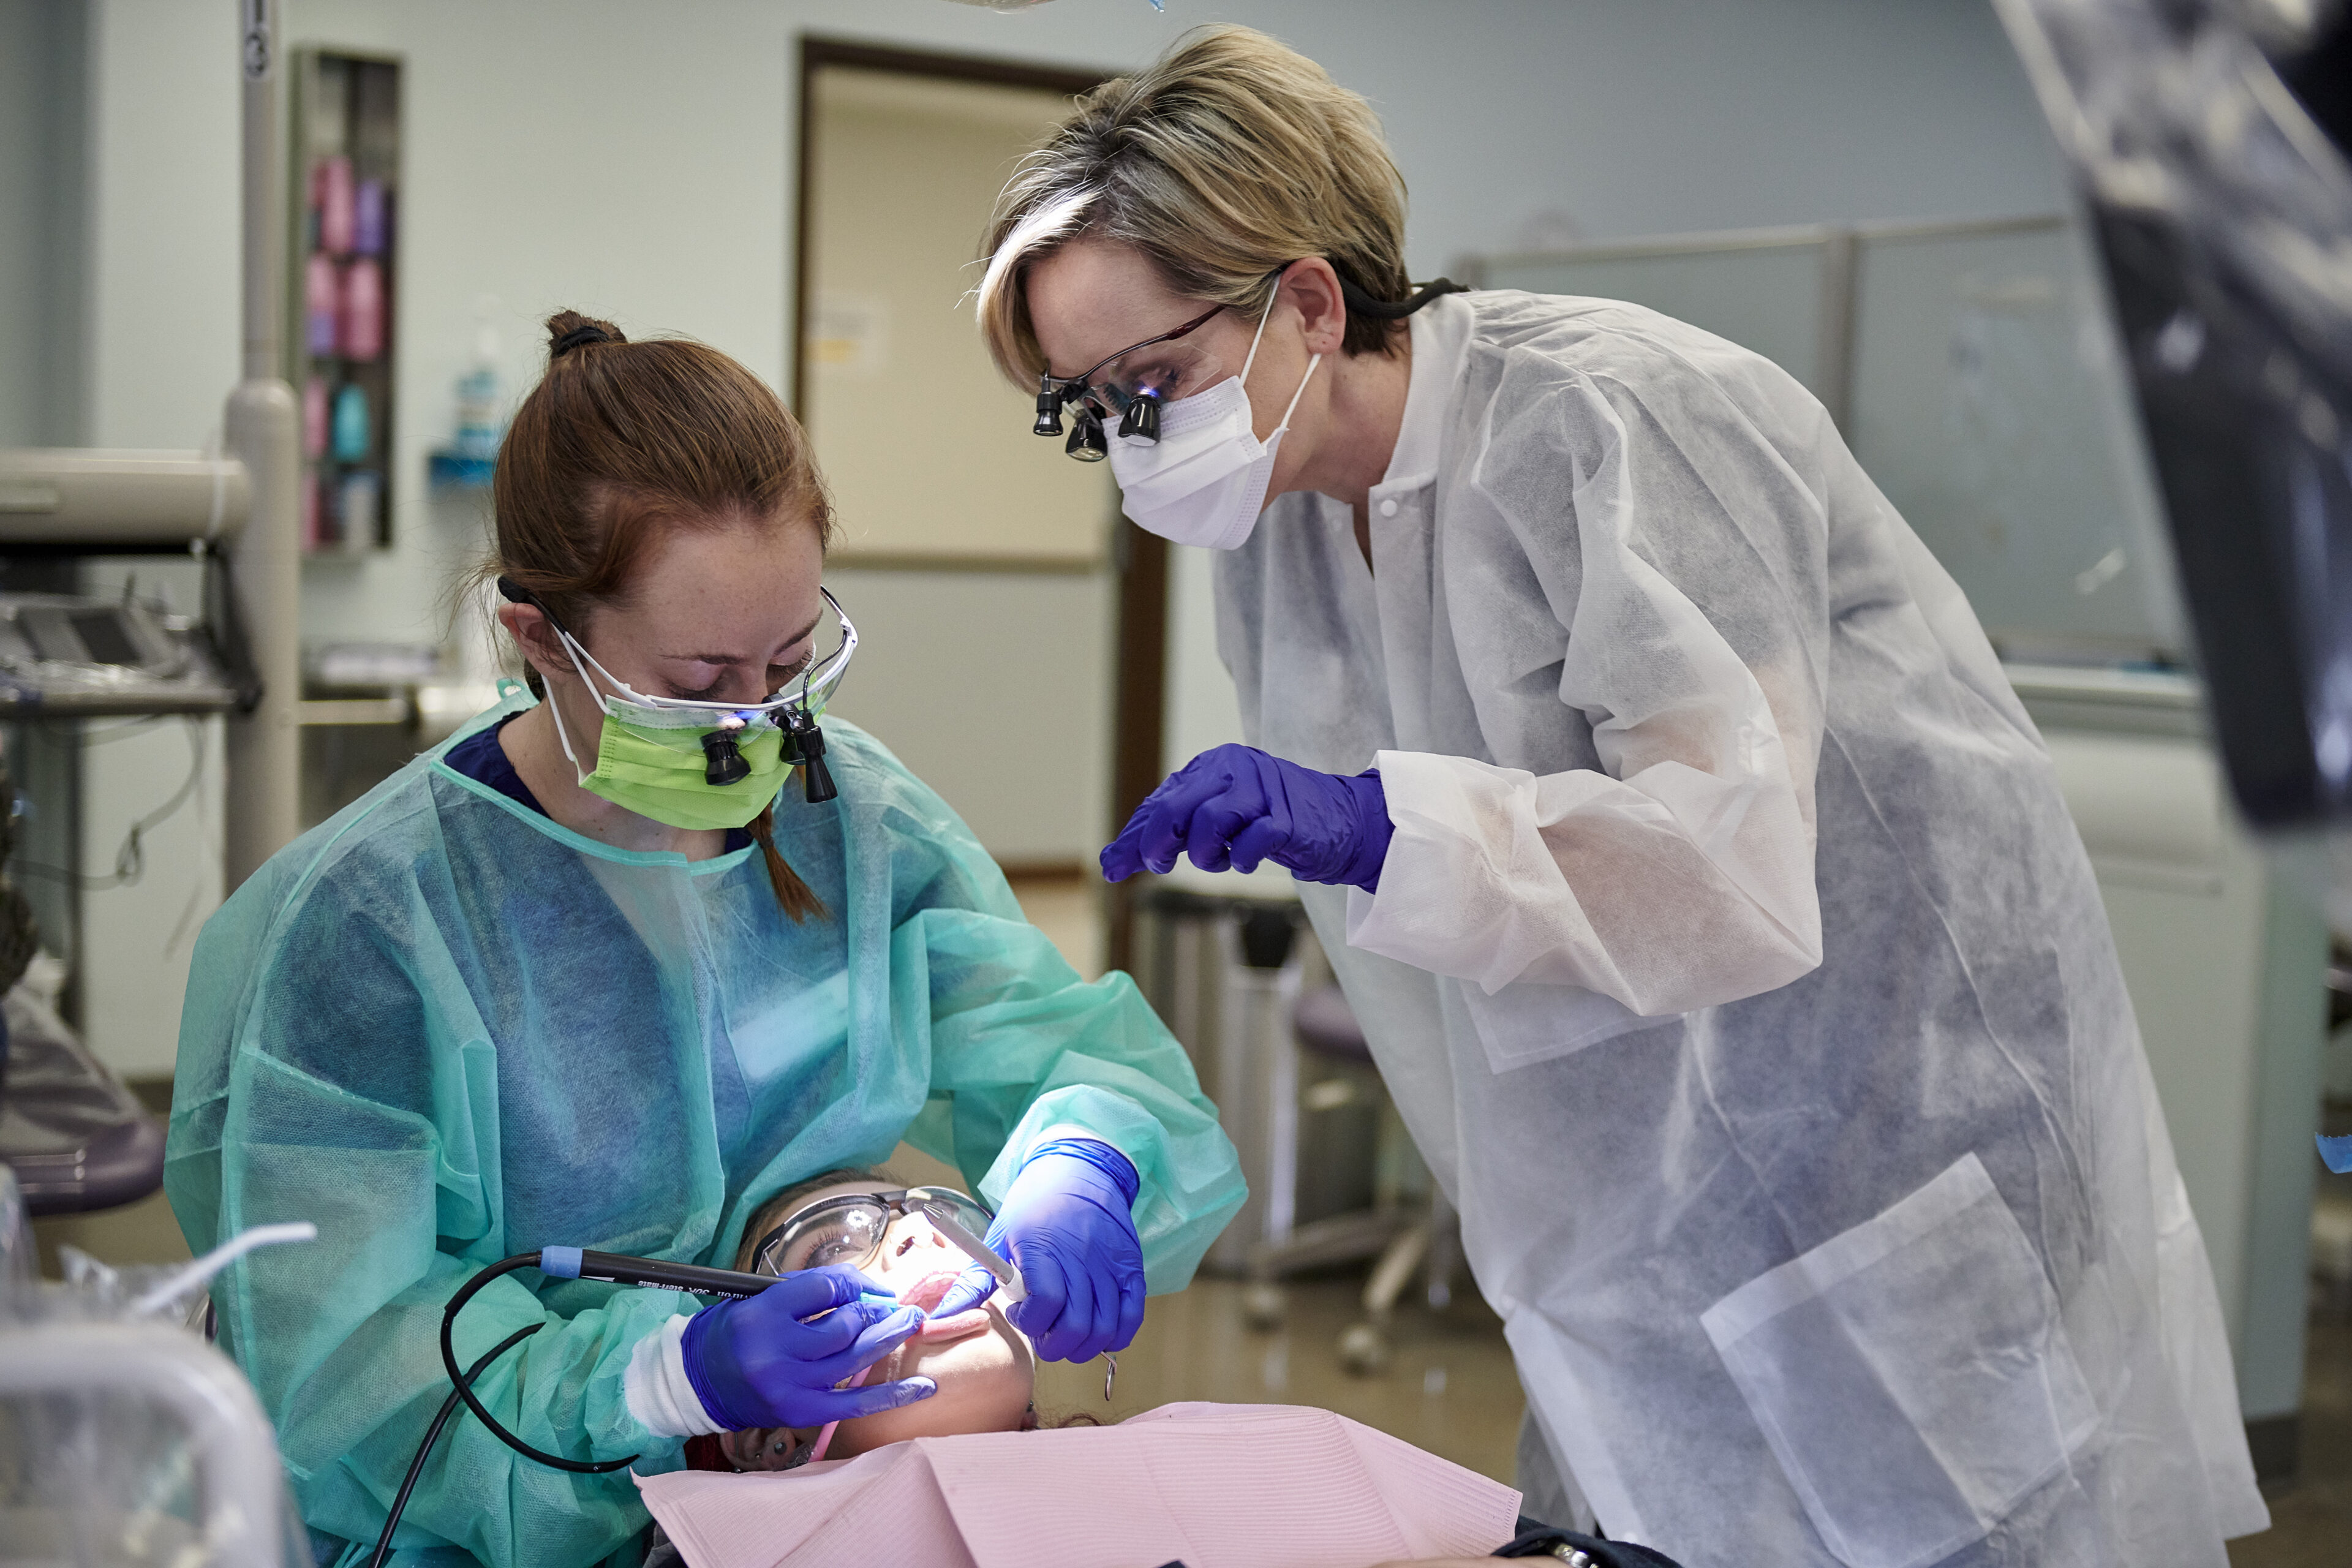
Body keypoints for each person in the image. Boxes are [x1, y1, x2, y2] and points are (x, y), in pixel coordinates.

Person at [973, 25, 2267, 1568]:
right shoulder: (1281, 534)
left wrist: (1380, 824)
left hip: (1881, 1131)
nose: (1129, 442)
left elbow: (1728, 869)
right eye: (1084, 409)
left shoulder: (1612, 418)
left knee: (1951, 1521)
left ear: (1306, 299)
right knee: (1659, 1513)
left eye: (1150, 383)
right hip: (1611, 1192)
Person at [164, 312, 1245, 1568]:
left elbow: (1066, 1051)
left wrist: (1088, 1158)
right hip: (480, 1522)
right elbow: (349, 1360)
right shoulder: (372, 924)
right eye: (700, 681)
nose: (762, 727)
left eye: (790, 665)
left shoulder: (855, 822)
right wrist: (661, 1386)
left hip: (786, 1507)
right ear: (539, 642)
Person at [643, 1167, 1680, 1568]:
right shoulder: (751, 1547)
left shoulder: (1196, 1449)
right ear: (762, 1434)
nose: (924, 1241)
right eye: (839, 1247)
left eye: (934, 1215)